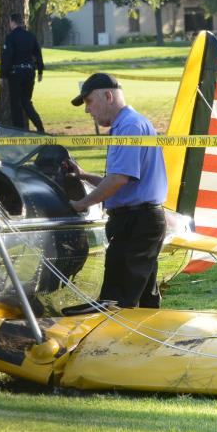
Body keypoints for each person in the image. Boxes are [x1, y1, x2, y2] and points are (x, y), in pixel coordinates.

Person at [64, 73, 166, 309]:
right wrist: (83, 175)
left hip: (136, 222)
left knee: (115, 303)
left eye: (89, 102)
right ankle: (144, 344)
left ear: (108, 96)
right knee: (143, 301)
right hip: (139, 219)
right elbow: (125, 181)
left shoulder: (129, 126)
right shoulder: (128, 123)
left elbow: (119, 179)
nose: (87, 110)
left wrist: (81, 204)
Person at [0, 12, 45, 132]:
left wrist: (2, 75)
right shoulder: (30, 36)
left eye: (10, 22)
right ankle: (39, 126)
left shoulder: (11, 37)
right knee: (26, 101)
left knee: (15, 103)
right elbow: (38, 54)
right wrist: (40, 71)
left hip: (16, 73)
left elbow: (7, 57)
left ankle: (19, 131)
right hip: (29, 72)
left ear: (12, 22)